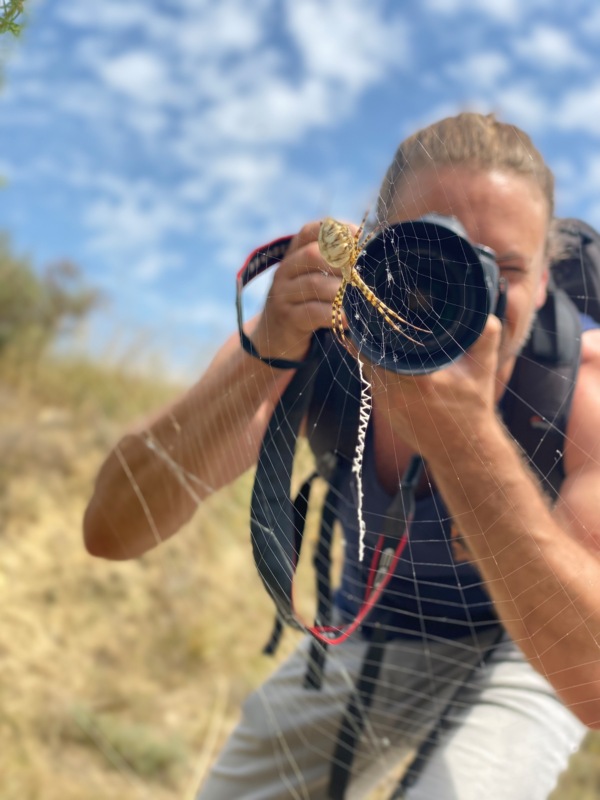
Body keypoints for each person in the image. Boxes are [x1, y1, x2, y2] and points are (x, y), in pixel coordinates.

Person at [83, 112, 600, 800]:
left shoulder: (578, 387)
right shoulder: (314, 344)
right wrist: (265, 350)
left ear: (543, 282)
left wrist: (466, 442)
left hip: (524, 648)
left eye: (502, 269)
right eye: (433, 255)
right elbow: (113, 531)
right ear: (368, 249)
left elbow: (592, 679)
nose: (463, 292)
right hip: (366, 625)